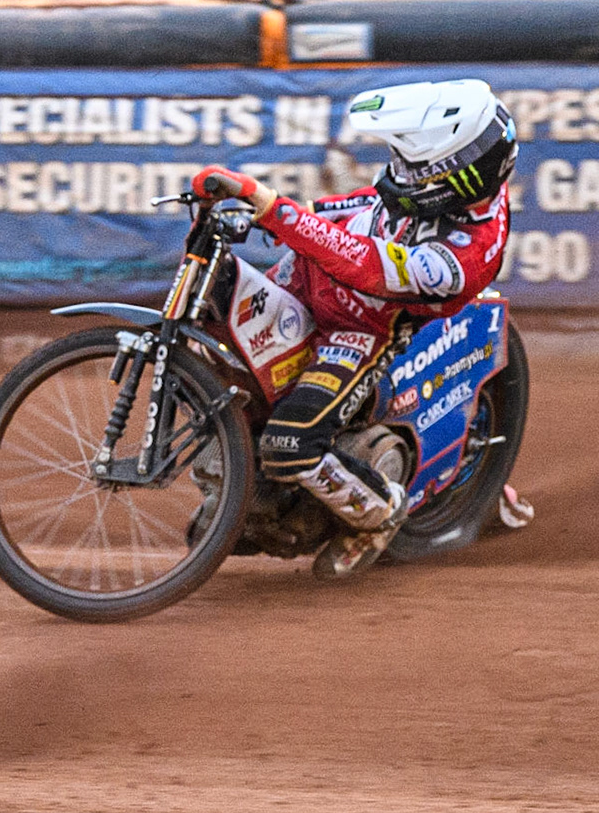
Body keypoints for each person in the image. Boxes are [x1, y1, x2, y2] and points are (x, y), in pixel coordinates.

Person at [192, 78, 515, 579]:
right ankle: (241, 487)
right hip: (303, 287)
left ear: (461, 178)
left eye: (416, 170)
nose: (399, 175)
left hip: (361, 331)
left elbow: (363, 263)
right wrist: (261, 215)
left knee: (288, 445)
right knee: (216, 327)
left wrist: (276, 210)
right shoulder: (433, 193)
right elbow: (359, 209)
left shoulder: (462, 258)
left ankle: (379, 514)